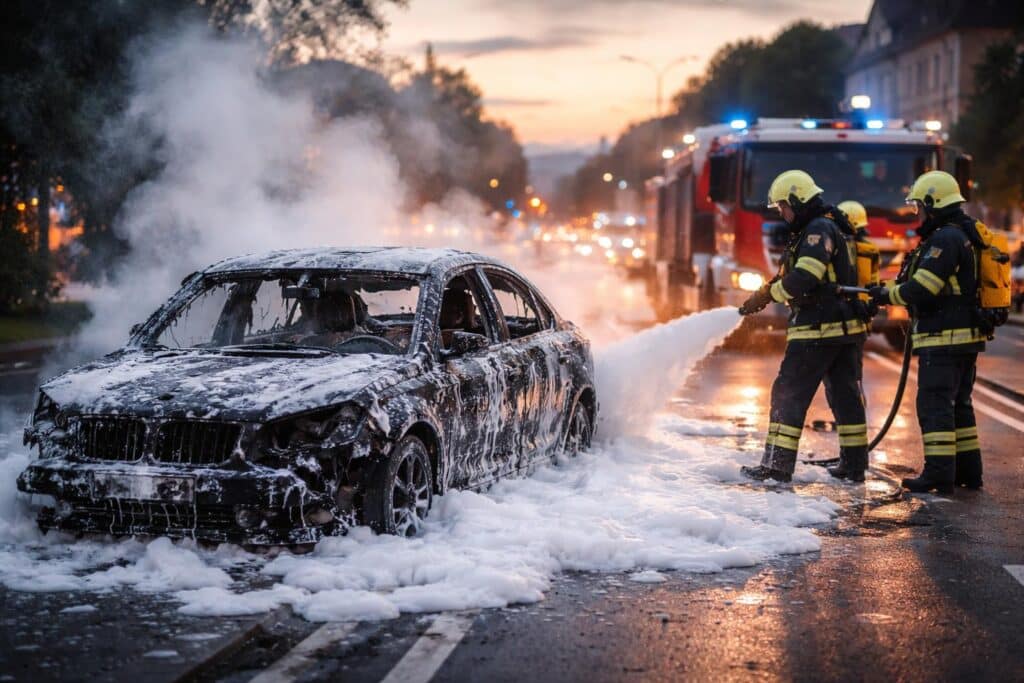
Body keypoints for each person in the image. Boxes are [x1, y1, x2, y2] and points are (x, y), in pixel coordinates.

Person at [738, 170, 868, 483]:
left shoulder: (817, 229)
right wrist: (764, 292)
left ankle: (776, 467)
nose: (782, 214)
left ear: (797, 199)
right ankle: (854, 466)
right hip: (844, 329)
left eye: (783, 206)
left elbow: (806, 276)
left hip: (818, 328)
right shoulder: (829, 225)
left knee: (788, 392)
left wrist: (771, 294)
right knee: (845, 396)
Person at [868, 171, 985, 493]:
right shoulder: (963, 233)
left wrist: (883, 297)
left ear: (933, 203)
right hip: (963, 336)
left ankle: (938, 474)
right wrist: (882, 289)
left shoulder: (945, 239)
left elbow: (923, 289)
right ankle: (968, 472)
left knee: (935, 406)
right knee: (959, 405)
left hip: (944, 337)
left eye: (919, 205)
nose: (916, 212)